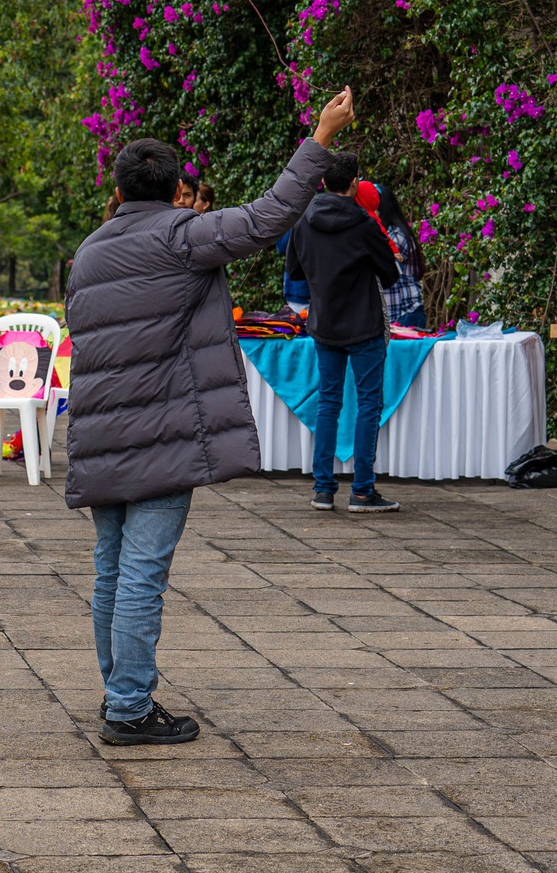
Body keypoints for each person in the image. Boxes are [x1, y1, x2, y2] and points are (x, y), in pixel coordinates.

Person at [64, 86, 354, 746]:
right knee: (140, 575)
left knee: (110, 570)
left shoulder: (89, 253)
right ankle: (129, 707)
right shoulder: (181, 236)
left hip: (102, 433)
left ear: (119, 186)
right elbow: (271, 214)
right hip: (160, 436)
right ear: (174, 188)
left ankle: (120, 691)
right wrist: (322, 133)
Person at [286, 152, 403, 514]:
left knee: (328, 403)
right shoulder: (364, 224)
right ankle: (363, 491)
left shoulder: (303, 220)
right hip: (363, 324)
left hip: (324, 323)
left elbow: (295, 271)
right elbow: (391, 275)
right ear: (354, 182)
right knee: (368, 405)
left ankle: (323, 489)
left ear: (322, 183)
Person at [370, 182, 426, 328]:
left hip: (405, 315)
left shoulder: (395, 236)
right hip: (394, 315)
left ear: (381, 208)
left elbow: (379, 270)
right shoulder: (385, 234)